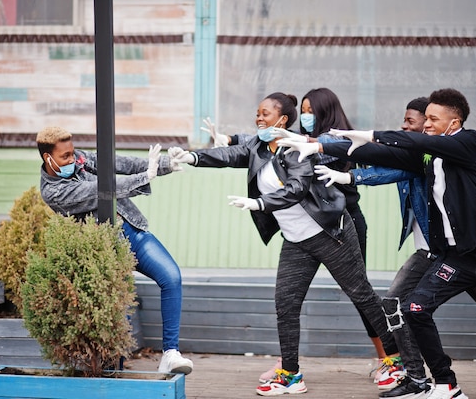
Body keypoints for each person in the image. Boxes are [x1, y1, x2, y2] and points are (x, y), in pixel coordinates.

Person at [279, 88, 476, 399]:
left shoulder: (471, 142)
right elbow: (385, 156)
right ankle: (446, 383)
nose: (426, 124)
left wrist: (372, 134)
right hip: (458, 258)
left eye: (432, 119)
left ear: (454, 123)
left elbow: (414, 141)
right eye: (425, 119)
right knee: (414, 307)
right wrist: (316, 143)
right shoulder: (429, 157)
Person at [171, 92, 399, 396]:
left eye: (265, 114)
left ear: (282, 119)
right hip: (296, 240)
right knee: (286, 306)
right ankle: (291, 374)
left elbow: (296, 188)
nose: (259, 118)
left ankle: (396, 360)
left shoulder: (297, 148)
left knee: (362, 295)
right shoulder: (258, 145)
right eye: (257, 113)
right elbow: (231, 154)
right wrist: (194, 157)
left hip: (330, 233)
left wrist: (259, 204)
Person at [35, 126, 193, 375]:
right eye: (65, 156)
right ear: (48, 158)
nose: (72, 159)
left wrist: (164, 165)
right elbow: (102, 190)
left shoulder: (80, 159)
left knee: (171, 277)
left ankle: (170, 354)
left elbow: (120, 164)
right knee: (120, 314)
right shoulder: (54, 192)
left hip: (132, 231)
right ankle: (111, 374)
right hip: (105, 249)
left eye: (72, 152)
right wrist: (146, 177)